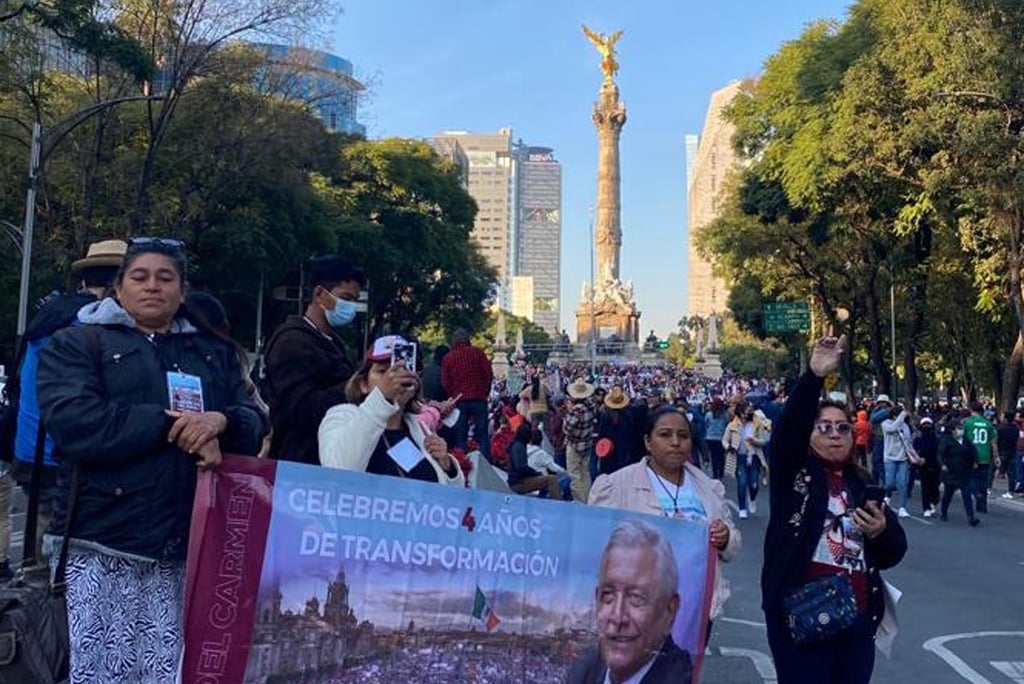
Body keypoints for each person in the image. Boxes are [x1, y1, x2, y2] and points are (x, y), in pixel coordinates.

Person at [37, 237, 268, 683]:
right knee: (101, 673)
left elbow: (254, 419)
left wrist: (220, 422)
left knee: (171, 672)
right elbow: (75, 422)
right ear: (119, 288)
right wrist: (171, 424)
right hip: (102, 542)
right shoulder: (78, 344)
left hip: (188, 547)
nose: (152, 287)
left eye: (166, 278)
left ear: (182, 291)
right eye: (139, 277)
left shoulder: (212, 352)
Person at [762, 336, 906, 684]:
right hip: (801, 616)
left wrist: (880, 531)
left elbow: (894, 552)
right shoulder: (793, 471)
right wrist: (814, 376)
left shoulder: (862, 484)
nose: (835, 435)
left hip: (856, 620)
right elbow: (787, 432)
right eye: (823, 427)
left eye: (842, 428)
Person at [9, 239, 127, 565]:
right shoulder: (91, 327)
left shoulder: (50, 315)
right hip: (61, 454)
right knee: (62, 555)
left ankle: (29, 598)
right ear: (119, 284)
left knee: (35, 542)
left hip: (27, 447)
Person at [589, 405, 740, 648]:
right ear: (648, 442)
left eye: (683, 435)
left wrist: (724, 538)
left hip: (696, 608)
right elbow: (597, 545)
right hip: (636, 610)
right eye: (665, 434)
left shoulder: (708, 488)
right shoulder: (616, 486)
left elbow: (732, 544)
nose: (675, 442)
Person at [318, 335, 463, 486]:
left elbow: (446, 501)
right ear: (363, 384)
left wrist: (449, 469)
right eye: (383, 371)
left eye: (404, 371)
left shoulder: (418, 428)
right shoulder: (342, 416)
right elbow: (338, 474)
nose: (393, 378)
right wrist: (382, 398)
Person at [263, 255, 365, 465]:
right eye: (345, 298)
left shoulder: (333, 342)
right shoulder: (291, 342)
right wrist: (359, 386)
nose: (350, 308)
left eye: (355, 301)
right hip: (299, 464)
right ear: (319, 294)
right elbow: (302, 409)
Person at [566, 519, 694, 684]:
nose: (617, 617)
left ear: (670, 610)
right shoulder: (582, 672)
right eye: (608, 596)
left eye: (636, 598)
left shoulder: (682, 678)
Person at [441, 329, 494, 461]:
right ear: (468, 339)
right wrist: (485, 392)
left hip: (460, 401)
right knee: (482, 436)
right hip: (479, 398)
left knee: (461, 437)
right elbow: (488, 374)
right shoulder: (479, 353)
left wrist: (453, 395)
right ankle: (486, 463)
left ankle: (462, 464)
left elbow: (445, 381)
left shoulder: (449, 357)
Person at [937, 417, 980, 525]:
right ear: (952, 430)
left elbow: (973, 451)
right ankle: (944, 512)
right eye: (958, 428)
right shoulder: (946, 440)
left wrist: (975, 461)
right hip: (951, 472)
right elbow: (940, 454)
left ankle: (971, 517)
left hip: (964, 471)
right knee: (948, 494)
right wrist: (943, 465)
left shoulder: (966, 440)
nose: (960, 430)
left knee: (967, 495)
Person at [564, 378, 598, 502]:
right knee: (585, 473)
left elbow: (567, 428)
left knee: (574, 475)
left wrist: (568, 411)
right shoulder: (591, 405)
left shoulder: (576, 410)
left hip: (575, 444)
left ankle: (580, 501)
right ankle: (588, 498)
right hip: (587, 443)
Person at [507, 422, 560, 499]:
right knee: (552, 480)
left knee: (544, 479)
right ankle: (558, 504)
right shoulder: (519, 447)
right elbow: (520, 468)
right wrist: (535, 473)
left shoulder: (519, 445)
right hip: (518, 483)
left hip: (517, 481)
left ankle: (543, 500)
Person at [962, 401, 999, 513]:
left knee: (970, 478)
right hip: (985, 455)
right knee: (983, 481)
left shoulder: (967, 423)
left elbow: (962, 439)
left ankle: (975, 493)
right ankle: (982, 506)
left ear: (971, 410)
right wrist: (996, 456)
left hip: (971, 456)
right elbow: (994, 442)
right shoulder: (988, 424)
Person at [881, 404, 913, 517]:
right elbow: (893, 428)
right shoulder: (885, 424)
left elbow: (908, 442)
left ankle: (902, 507)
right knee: (889, 483)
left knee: (903, 483)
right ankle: (887, 495)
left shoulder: (905, 426)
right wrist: (902, 415)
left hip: (903, 458)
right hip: (890, 458)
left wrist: (914, 456)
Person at [597, 385, 635, 476]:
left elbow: (602, 434)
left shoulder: (605, 416)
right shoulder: (628, 416)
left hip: (609, 452)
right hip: (623, 452)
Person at [526, 428, 572, 500]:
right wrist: (565, 471)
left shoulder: (524, 450)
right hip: (541, 486)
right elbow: (554, 468)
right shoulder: (541, 453)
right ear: (541, 440)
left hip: (527, 484)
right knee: (568, 478)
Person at [914, 417, 940, 517]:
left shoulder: (936, 438)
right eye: (924, 425)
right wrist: (918, 459)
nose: (926, 427)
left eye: (928, 424)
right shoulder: (918, 439)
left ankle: (934, 501)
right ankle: (926, 508)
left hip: (935, 465)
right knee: (925, 487)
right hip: (923, 466)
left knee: (935, 486)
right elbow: (915, 451)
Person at [704, 397, 728, 479]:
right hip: (721, 438)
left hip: (710, 438)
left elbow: (706, 424)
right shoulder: (724, 415)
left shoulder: (709, 414)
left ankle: (715, 474)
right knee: (721, 457)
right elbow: (727, 424)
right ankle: (721, 473)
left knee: (713, 457)